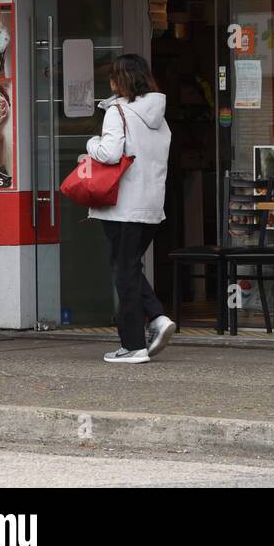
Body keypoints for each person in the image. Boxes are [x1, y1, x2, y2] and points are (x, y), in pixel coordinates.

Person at [85, 54, 175, 365]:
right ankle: (156, 319)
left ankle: (134, 344)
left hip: (122, 205)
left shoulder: (117, 112)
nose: (109, 82)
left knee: (123, 273)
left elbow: (109, 154)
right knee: (130, 267)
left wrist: (91, 144)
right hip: (150, 205)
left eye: (113, 77)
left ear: (121, 81)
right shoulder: (158, 116)